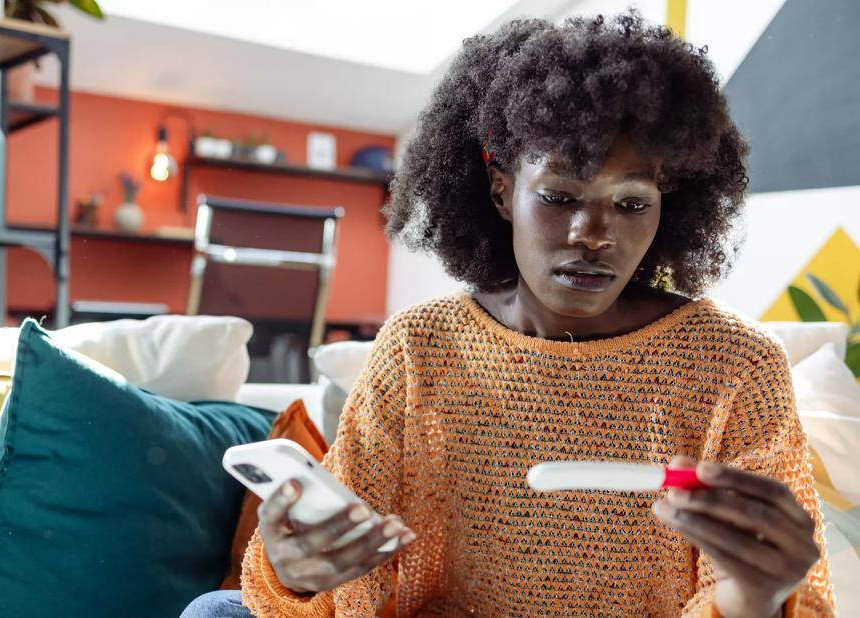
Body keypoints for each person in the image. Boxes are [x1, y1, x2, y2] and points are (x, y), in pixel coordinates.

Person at [182, 11, 834, 618]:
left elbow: (795, 598)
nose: (593, 233)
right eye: (558, 196)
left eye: (631, 204)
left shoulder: (735, 365)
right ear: (500, 191)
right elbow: (344, 585)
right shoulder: (420, 346)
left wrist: (753, 596)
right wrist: (297, 575)